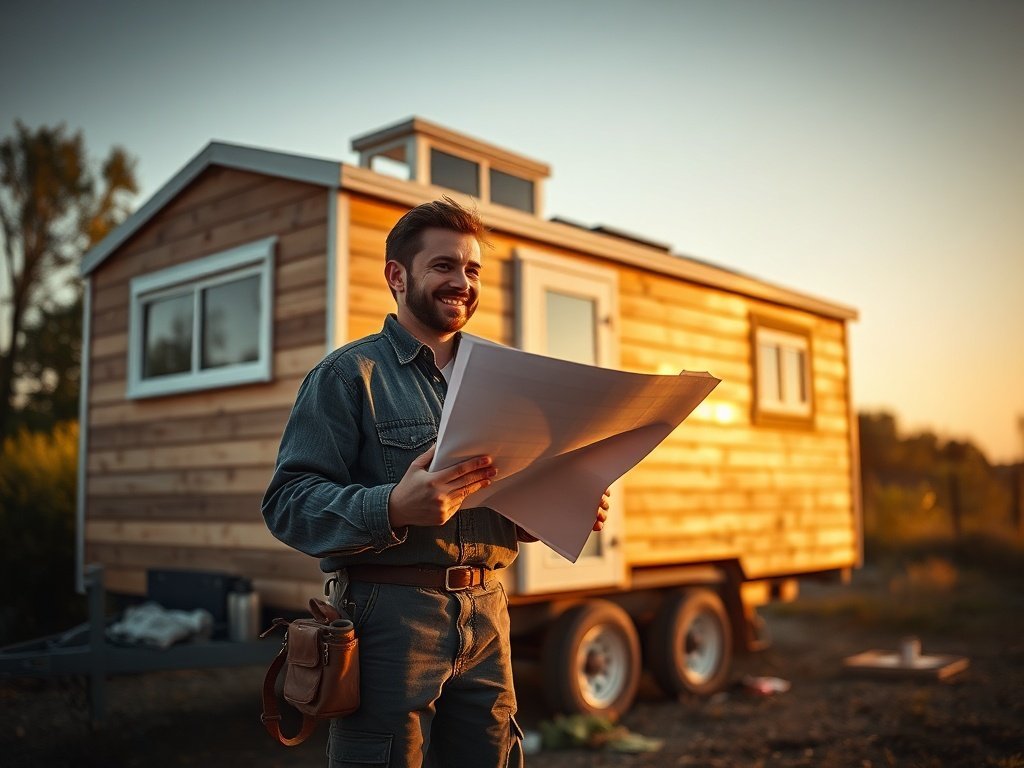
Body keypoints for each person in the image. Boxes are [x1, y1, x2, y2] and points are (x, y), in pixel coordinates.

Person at [262, 196, 609, 768]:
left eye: (472, 270)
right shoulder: (348, 375)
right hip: (388, 620)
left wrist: (559, 504)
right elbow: (288, 504)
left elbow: (504, 505)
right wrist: (392, 507)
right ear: (397, 276)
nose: (462, 282)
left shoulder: (507, 380)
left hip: (489, 613)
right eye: (444, 266)